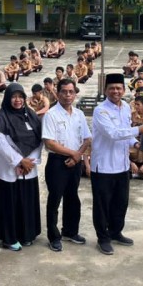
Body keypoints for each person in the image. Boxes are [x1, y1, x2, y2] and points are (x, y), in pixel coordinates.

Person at [90, 73, 143, 255]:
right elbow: (114, 133)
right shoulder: (100, 110)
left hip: (122, 165)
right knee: (102, 205)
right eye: (112, 88)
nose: (115, 91)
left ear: (124, 90)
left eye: (119, 88)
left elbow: (126, 134)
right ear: (105, 90)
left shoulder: (126, 107)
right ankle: (103, 238)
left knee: (121, 202)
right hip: (103, 167)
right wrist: (139, 129)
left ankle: (116, 232)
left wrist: (136, 143)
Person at [41, 78, 91, 252]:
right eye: (64, 91)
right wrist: (73, 154)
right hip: (57, 162)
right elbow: (49, 143)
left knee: (73, 198)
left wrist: (77, 157)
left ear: (75, 93)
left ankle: (70, 231)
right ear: (58, 92)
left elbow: (86, 138)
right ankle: (54, 237)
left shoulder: (79, 114)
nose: (68, 95)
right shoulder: (51, 115)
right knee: (55, 200)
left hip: (75, 163)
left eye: (71, 92)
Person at [0, 83, 43, 250]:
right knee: (10, 205)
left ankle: (27, 234)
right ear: (8, 98)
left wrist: (30, 161)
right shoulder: (2, 117)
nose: (18, 100)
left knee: (26, 203)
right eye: (14, 96)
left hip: (29, 169)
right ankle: (9, 237)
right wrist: (20, 161)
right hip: (10, 169)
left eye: (21, 96)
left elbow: (39, 140)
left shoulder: (32, 115)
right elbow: (1, 144)